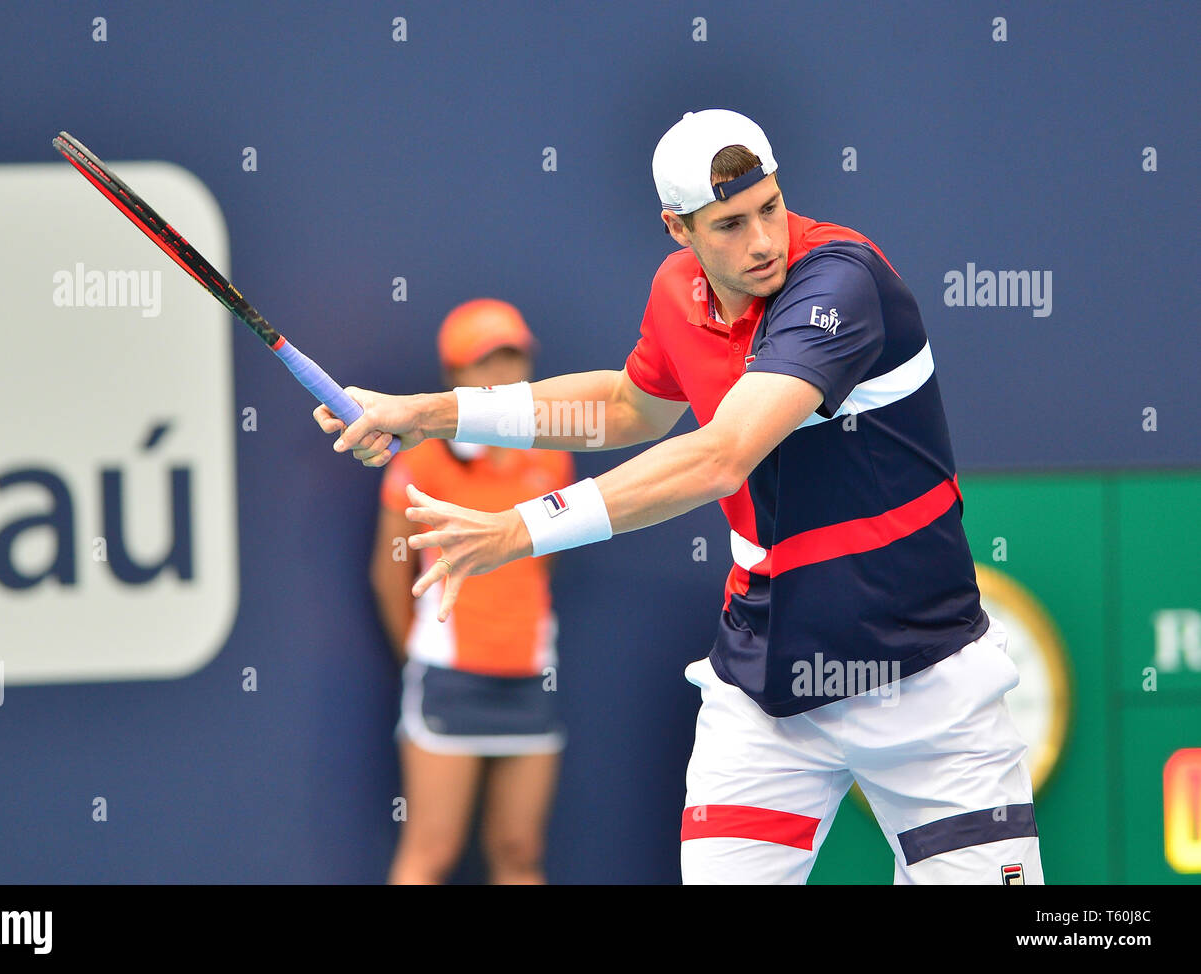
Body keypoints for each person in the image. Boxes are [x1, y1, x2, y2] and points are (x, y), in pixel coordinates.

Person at [315, 110, 1044, 885]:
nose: (764, 240)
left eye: (770, 207)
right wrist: (428, 413)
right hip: (767, 688)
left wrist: (521, 529)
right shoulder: (677, 293)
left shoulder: (840, 284)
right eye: (730, 224)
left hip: (926, 683)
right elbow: (629, 408)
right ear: (677, 228)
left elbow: (721, 456)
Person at [368, 298, 573, 885]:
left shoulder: (553, 452)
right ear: (455, 377)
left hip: (531, 673)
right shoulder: (422, 458)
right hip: (448, 677)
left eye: (513, 359)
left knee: (519, 850)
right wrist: (422, 654)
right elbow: (391, 569)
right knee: (432, 852)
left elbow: (544, 561)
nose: (503, 376)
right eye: (485, 362)